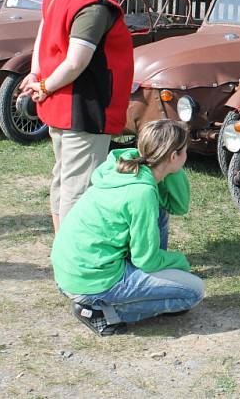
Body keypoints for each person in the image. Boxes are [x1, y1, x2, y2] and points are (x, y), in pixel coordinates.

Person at [21, 0, 134, 232]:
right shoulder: (93, 4)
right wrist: (43, 84)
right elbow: (75, 62)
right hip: (83, 109)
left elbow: (44, 29)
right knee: (79, 189)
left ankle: (63, 253)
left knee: (64, 180)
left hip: (63, 106)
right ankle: (73, 266)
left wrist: (37, 75)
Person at [51, 119, 204, 336]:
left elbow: (177, 205)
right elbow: (146, 260)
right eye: (184, 152)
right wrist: (179, 262)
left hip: (72, 272)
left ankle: (129, 286)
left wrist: (170, 169)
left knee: (160, 211)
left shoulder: (127, 165)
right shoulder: (142, 193)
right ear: (173, 156)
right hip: (90, 281)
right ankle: (100, 312)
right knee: (193, 293)